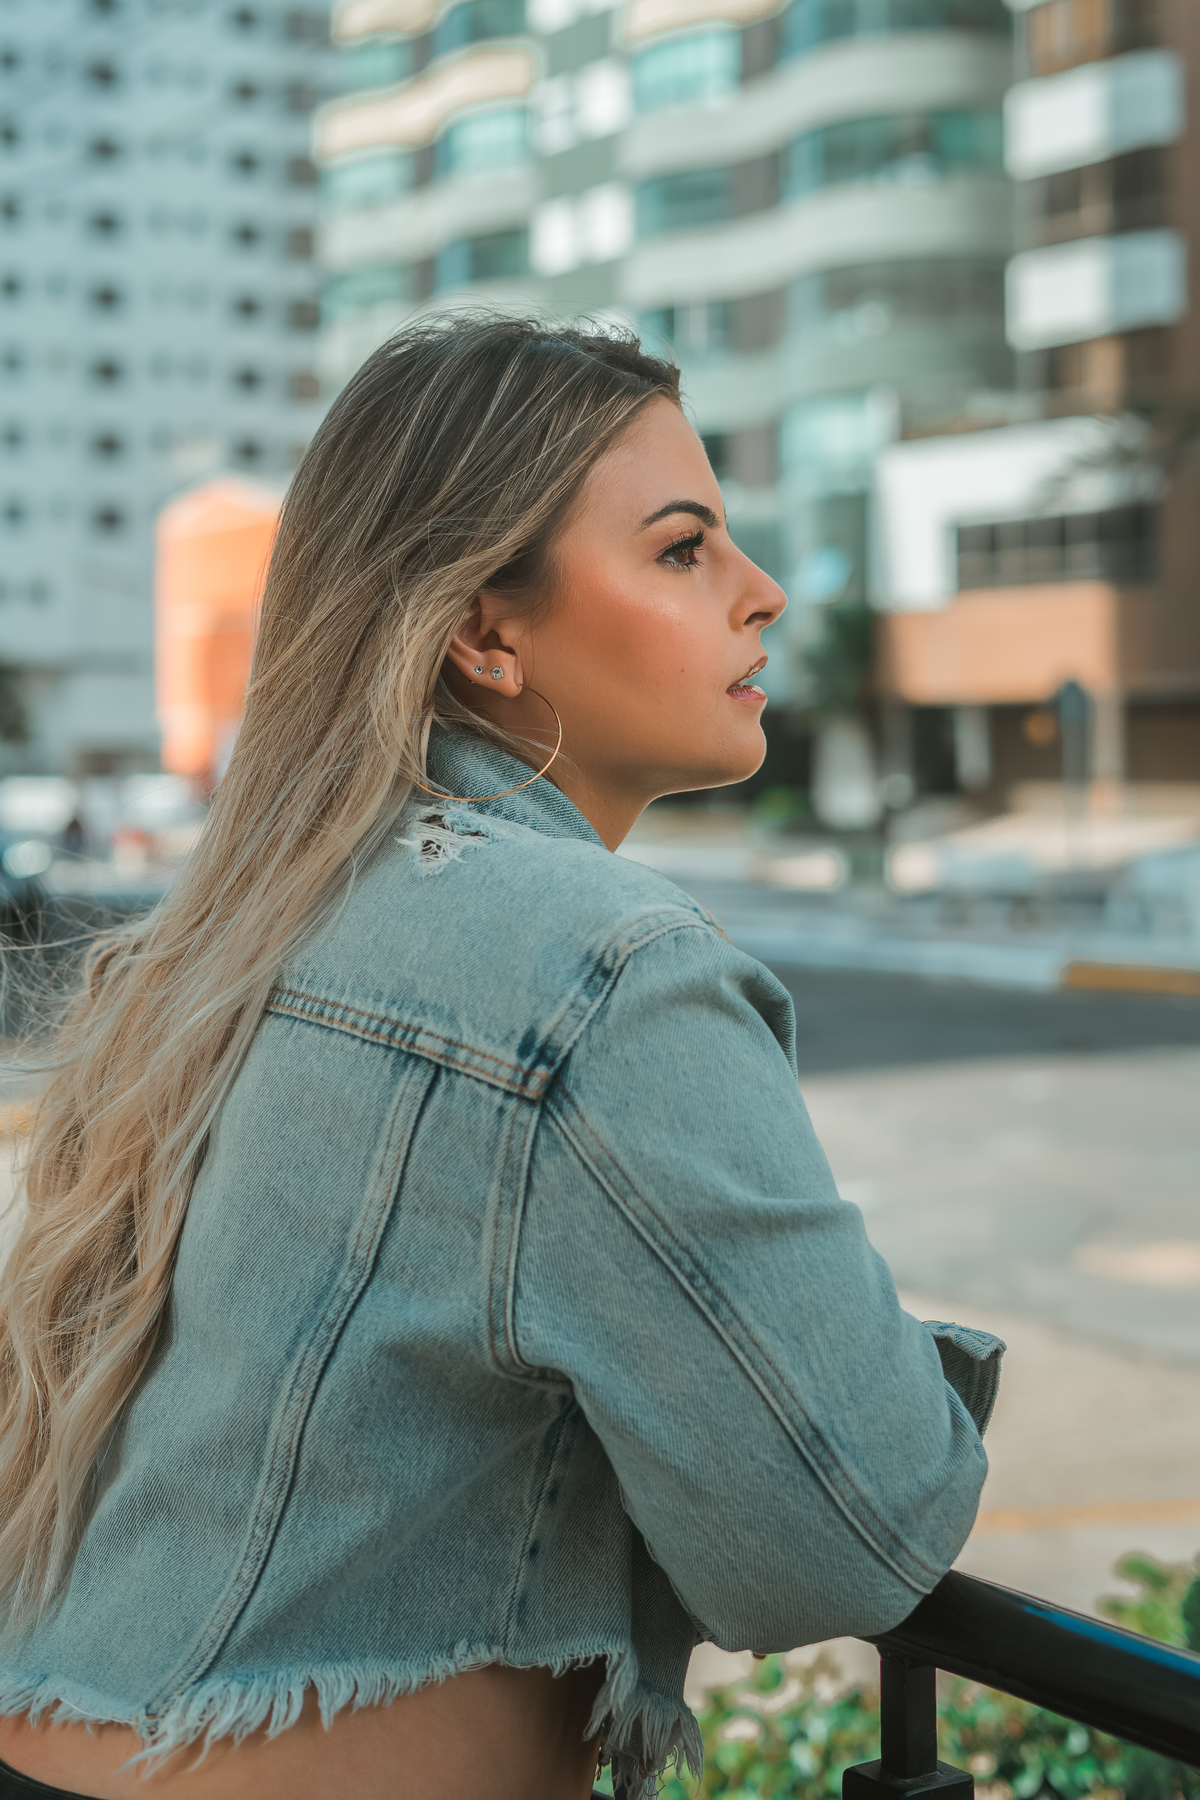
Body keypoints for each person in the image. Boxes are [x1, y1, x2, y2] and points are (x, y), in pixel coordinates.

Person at [0, 317, 1002, 1800]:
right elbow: (845, 1533)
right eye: (683, 549)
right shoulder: (602, 970)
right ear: (485, 629)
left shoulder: (242, 923)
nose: (764, 592)